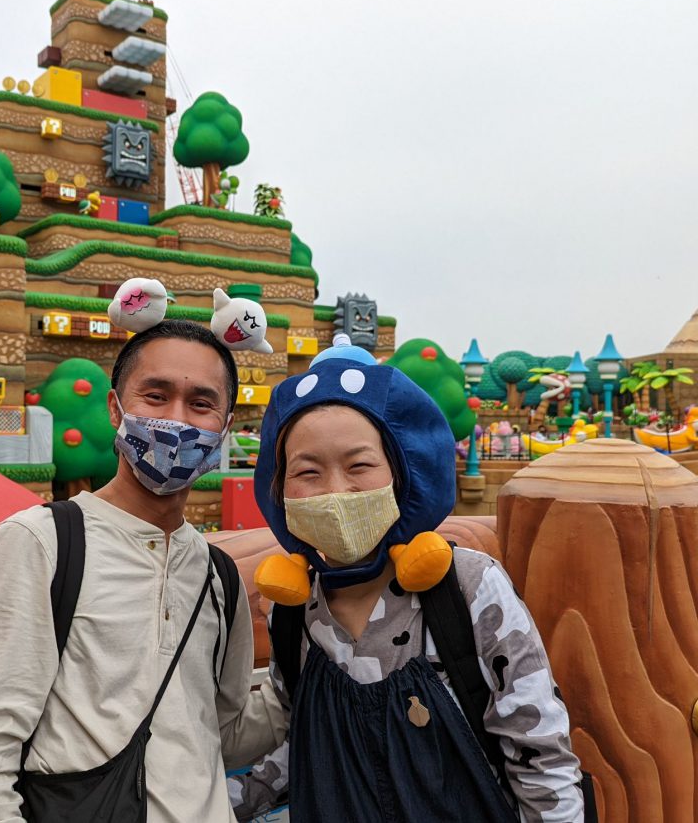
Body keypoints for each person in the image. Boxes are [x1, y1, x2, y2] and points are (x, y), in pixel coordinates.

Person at [0, 320, 287, 822]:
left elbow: (218, 736)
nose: (176, 419)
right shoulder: (41, 543)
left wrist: (301, 668)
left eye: (200, 404)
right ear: (116, 409)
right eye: (156, 396)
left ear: (224, 427)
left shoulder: (217, 574)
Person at [229, 344, 586, 822]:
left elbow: (540, 755)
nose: (335, 490)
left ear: (401, 473)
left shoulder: (469, 588)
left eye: (359, 466)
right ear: (280, 488)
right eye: (307, 472)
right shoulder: (292, 612)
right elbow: (304, 742)